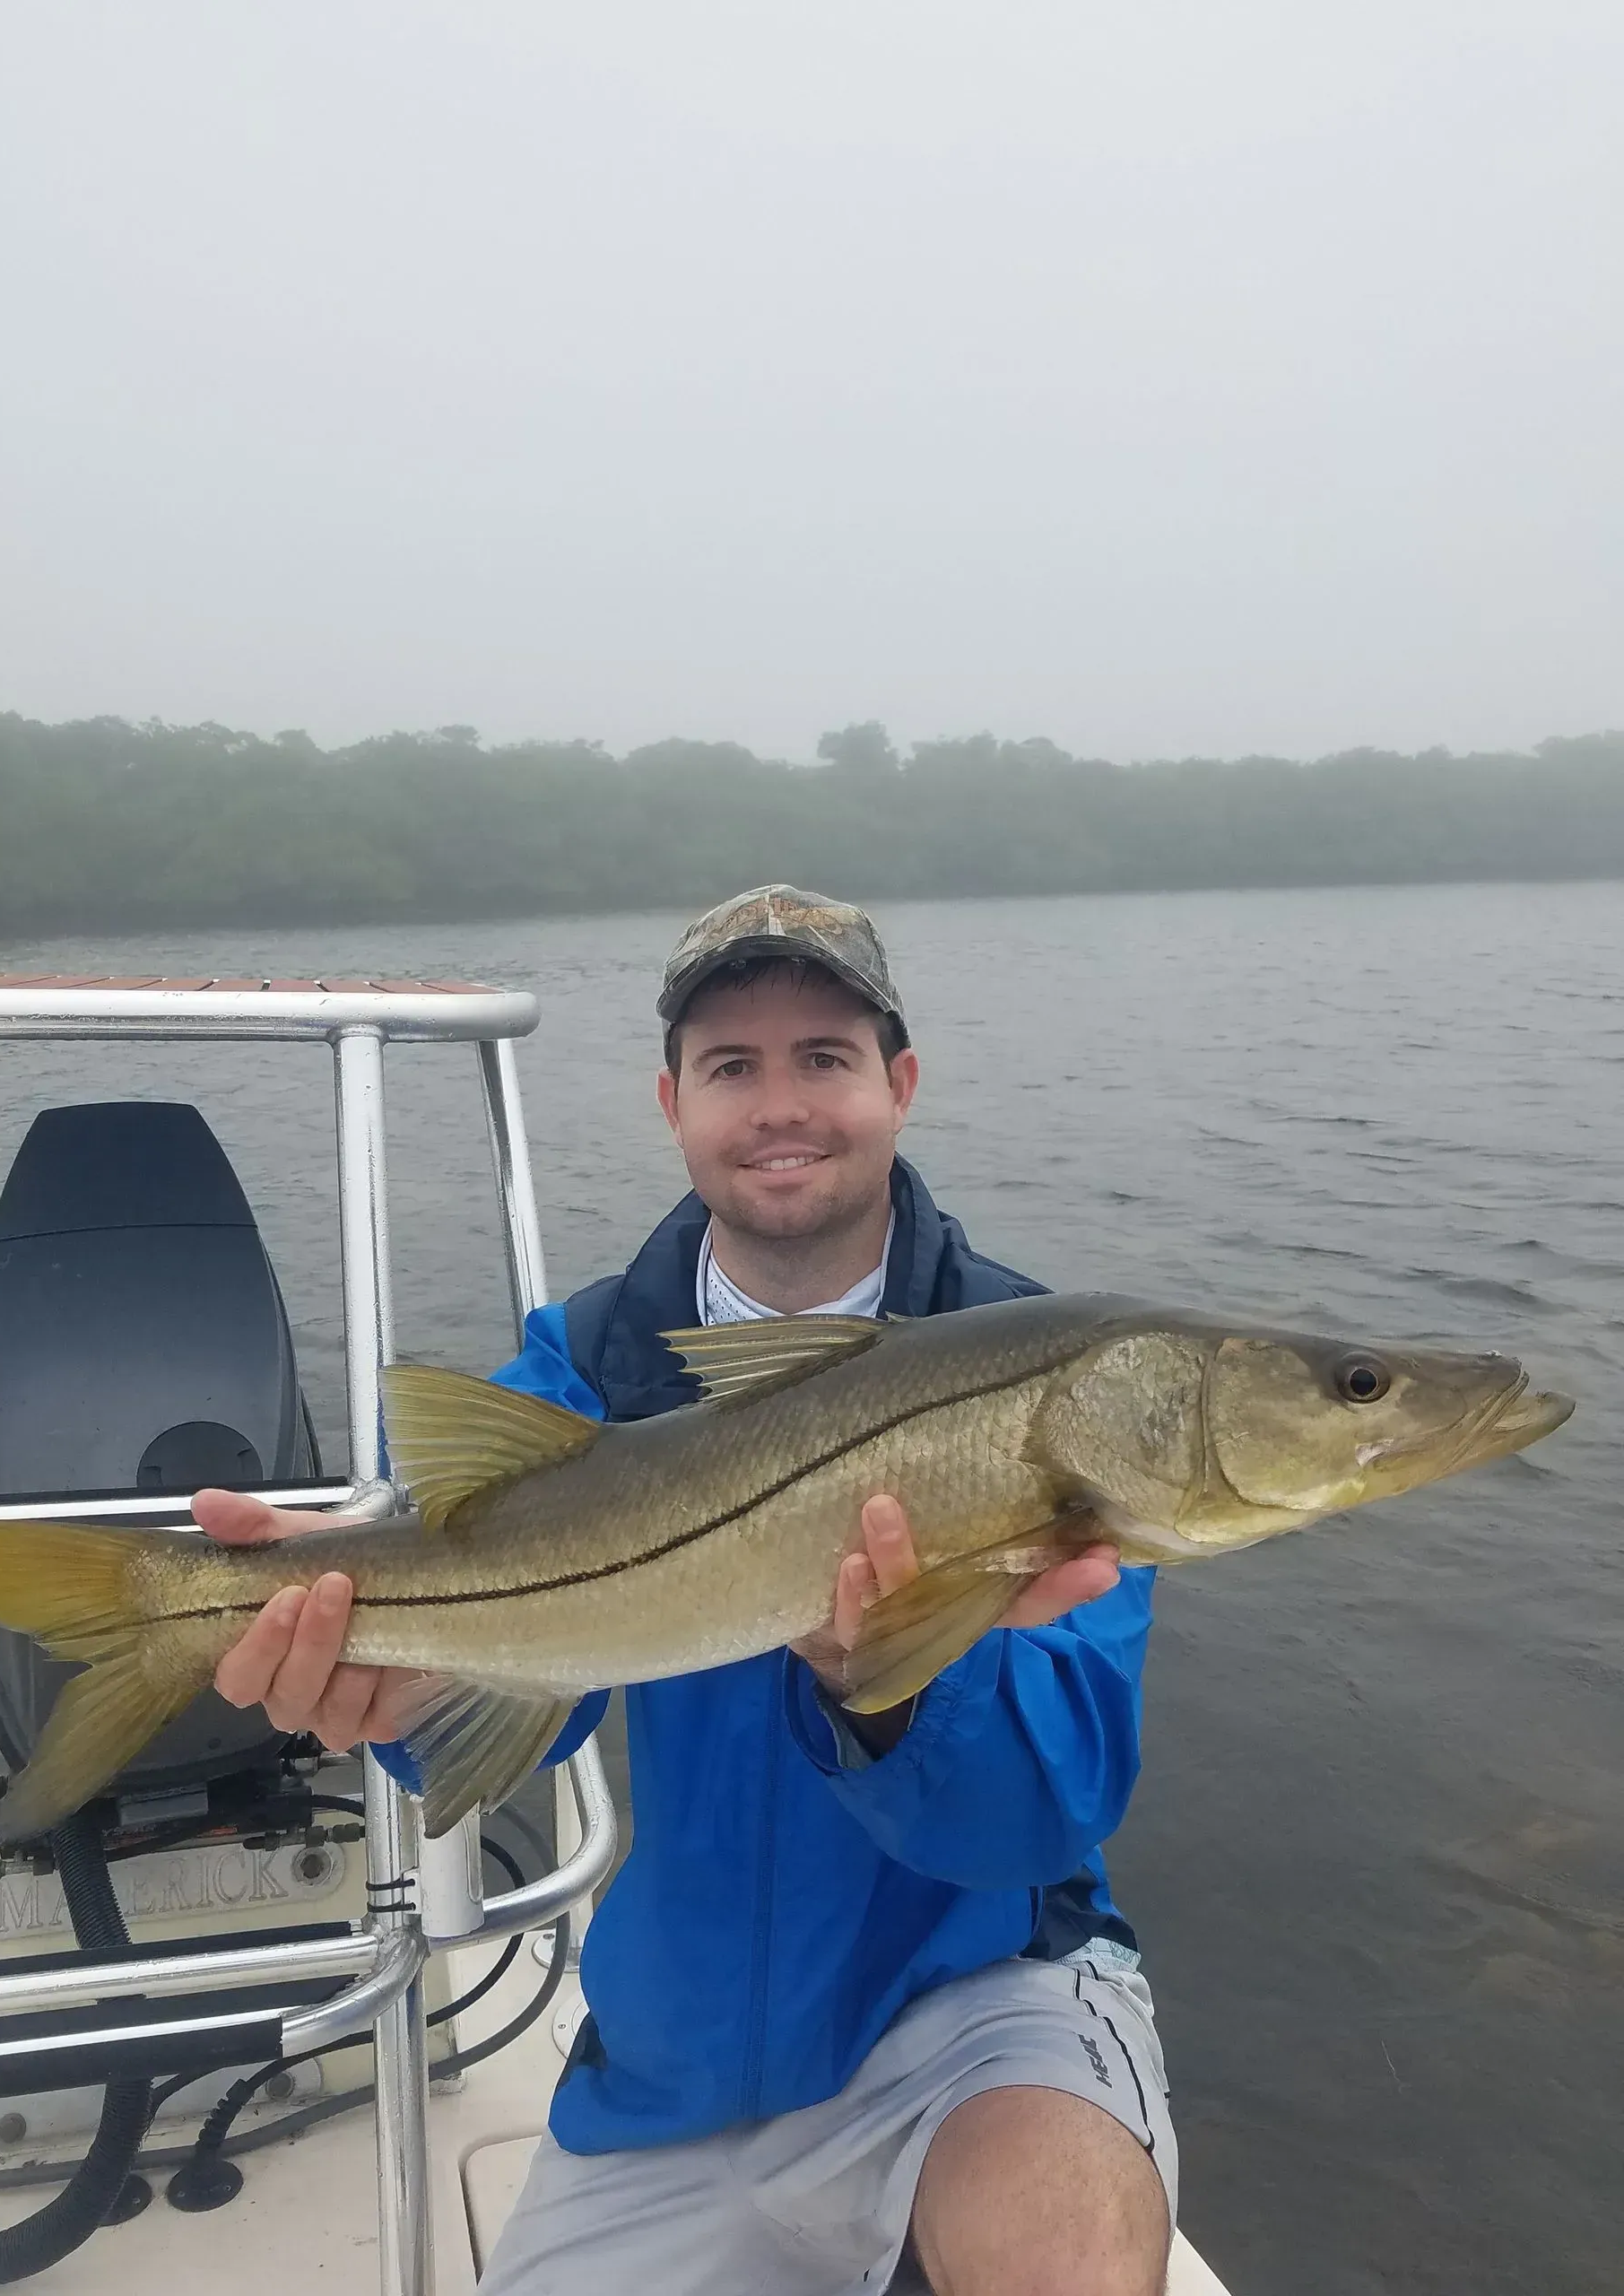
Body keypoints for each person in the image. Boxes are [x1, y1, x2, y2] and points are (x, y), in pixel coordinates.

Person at [194, 886, 1174, 2296]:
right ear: (673, 1104)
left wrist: (885, 1677)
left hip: (974, 2010)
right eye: (733, 1066)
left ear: (898, 1085)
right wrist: (386, 1684)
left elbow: (1037, 1817)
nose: (782, 1105)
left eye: (824, 1058)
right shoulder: (581, 1368)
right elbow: (497, 1691)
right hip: (677, 2055)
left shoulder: (1051, 1381)